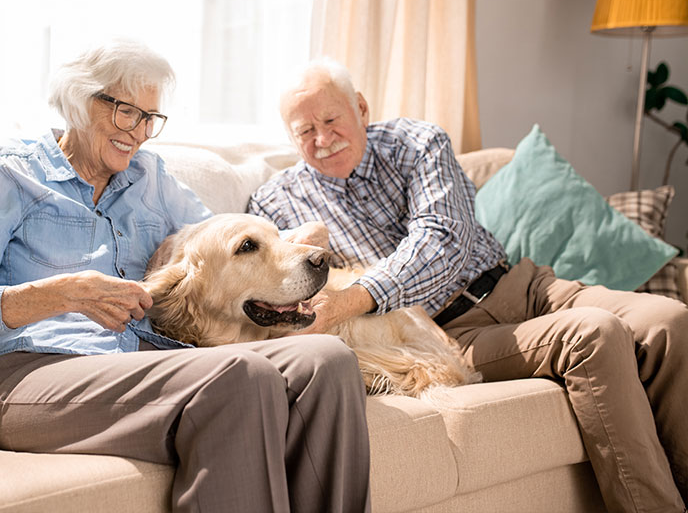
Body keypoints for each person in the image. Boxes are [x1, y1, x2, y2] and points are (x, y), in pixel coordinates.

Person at [0, 40, 371, 513]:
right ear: (80, 103)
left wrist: (292, 245)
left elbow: (223, 243)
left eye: (151, 118)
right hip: (31, 374)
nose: (140, 133)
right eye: (128, 113)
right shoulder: (4, 174)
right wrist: (59, 294)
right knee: (242, 375)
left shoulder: (150, 177)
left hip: (148, 361)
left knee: (326, 361)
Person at [248, 57, 688, 513]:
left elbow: (443, 238)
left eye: (330, 119)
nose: (321, 139)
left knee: (669, 320)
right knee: (595, 334)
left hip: (526, 284)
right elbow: (276, 283)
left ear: (360, 106)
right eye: (304, 131)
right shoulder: (276, 203)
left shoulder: (417, 142)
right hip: (448, 334)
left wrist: (351, 299)